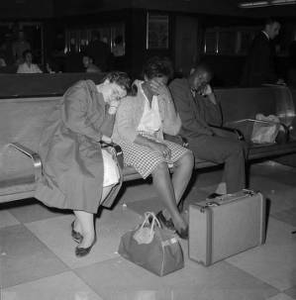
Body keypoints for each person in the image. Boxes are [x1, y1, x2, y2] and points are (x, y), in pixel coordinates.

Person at [35, 72, 132, 257]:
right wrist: (101, 137)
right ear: (108, 80)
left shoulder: (105, 102)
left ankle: (79, 222)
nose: (116, 97)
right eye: (115, 92)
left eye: (120, 97)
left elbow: (105, 131)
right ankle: (89, 233)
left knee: (113, 176)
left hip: (87, 145)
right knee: (80, 178)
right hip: (62, 142)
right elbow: (74, 120)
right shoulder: (81, 89)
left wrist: (112, 109)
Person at [112, 57, 194, 239]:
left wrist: (167, 96)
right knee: (159, 164)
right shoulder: (131, 93)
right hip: (128, 140)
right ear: (145, 77)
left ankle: (165, 214)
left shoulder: (162, 95)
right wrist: (152, 144)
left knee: (187, 157)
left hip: (152, 139)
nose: (158, 87)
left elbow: (173, 129)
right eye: (155, 83)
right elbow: (124, 129)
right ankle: (175, 217)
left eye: (163, 84)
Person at [169, 63, 246, 196]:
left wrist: (210, 95)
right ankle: (234, 198)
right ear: (192, 71)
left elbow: (216, 121)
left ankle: (224, 191)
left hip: (199, 135)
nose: (201, 83)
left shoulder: (197, 94)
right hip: (186, 138)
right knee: (235, 150)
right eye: (199, 78)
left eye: (205, 82)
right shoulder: (178, 86)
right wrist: (211, 133)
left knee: (242, 145)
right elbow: (187, 122)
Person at [240, 18, 283, 87]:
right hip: (257, 82)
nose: (277, 33)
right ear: (268, 27)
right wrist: (275, 80)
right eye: (275, 29)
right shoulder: (263, 42)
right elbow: (265, 64)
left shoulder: (259, 39)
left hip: (252, 80)